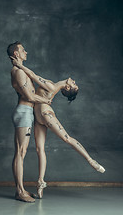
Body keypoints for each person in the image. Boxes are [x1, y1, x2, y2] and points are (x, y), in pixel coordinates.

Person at [11, 58, 105, 199]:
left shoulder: (51, 86)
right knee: (39, 149)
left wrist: (20, 66)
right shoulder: (52, 85)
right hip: (38, 117)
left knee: (67, 138)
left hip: (45, 114)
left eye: (74, 85)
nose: (74, 81)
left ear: (67, 88)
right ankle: (41, 183)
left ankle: (91, 160)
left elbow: (33, 75)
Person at [7, 41, 52, 203]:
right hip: (24, 112)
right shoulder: (18, 72)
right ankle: (19, 191)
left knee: (21, 151)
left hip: (27, 113)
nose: (26, 52)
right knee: (21, 152)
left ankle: (21, 189)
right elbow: (30, 96)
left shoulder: (22, 70)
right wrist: (46, 101)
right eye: (23, 50)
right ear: (16, 54)